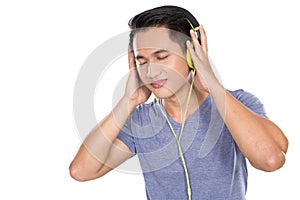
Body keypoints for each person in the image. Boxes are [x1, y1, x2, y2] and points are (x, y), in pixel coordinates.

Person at [69, 5, 288, 200]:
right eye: (141, 61)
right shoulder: (141, 120)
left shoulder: (237, 103)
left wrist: (212, 84)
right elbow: (82, 171)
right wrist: (129, 101)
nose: (151, 71)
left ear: (193, 52)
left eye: (162, 56)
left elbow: (270, 160)